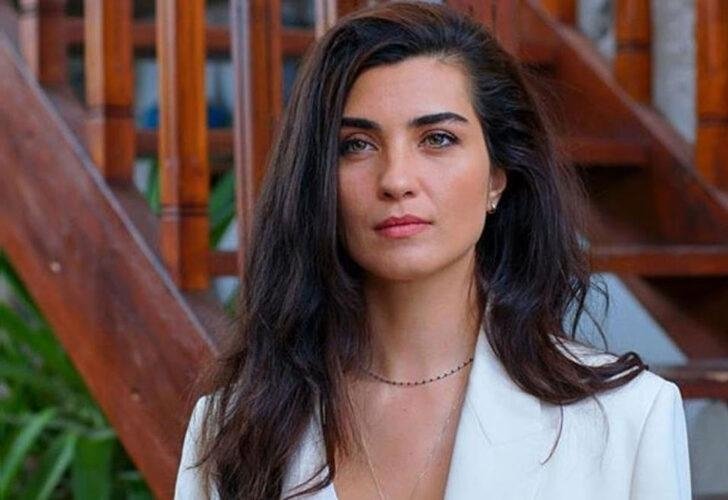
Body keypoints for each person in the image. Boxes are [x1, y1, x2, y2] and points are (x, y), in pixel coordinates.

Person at [174, 2, 691, 499]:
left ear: (497, 177)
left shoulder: (628, 420)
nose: (397, 179)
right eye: (356, 145)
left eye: (438, 139)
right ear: (317, 180)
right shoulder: (233, 428)